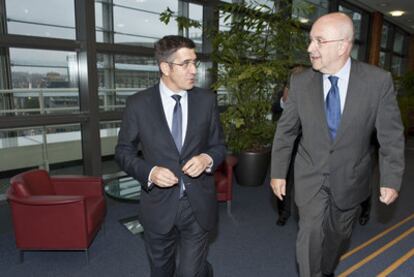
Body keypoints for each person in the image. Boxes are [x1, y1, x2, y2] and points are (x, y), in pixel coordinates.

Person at [270, 12, 405, 277]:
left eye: (319, 41)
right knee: (308, 234)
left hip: (351, 177)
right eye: (311, 40)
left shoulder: (378, 82)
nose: (310, 48)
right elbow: (285, 132)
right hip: (310, 175)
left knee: (338, 236)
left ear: (342, 46)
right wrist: (277, 172)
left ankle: (326, 270)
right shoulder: (301, 82)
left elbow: (390, 135)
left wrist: (391, 178)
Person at [115, 35, 226, 277]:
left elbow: (219, 146)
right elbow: (123, 151)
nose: (193, 70)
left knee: (189, 272)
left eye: (194, 62)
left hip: (197, 204)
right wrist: (151, 172)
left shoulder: (206, 100)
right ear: (165, 67)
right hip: (157, 206)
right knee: (161, 271)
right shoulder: (138, 104)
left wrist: (207, 159)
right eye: (185, 64)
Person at [272, 65, 306, 226]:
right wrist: (283, 101)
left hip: (306, 146)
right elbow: (275, 109)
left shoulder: (314, 94)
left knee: (305, 182)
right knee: (283, 178)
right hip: (287, 146)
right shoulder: (283, 93)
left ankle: (306, 215)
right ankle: (283, 213)